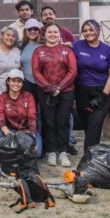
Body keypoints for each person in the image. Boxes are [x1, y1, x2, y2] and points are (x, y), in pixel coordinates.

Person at [32, 23, 78, 168]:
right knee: (49, 121)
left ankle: (63, 151)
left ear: (60, 34)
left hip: (66, 91)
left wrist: (59, 87)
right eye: (50, 32)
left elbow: (73, 70)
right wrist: (49, 87)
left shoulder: (67, 50)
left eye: (55, 32)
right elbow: (36, 71)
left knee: (63, 121)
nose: (52, 34)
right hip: (45, 91)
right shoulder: (38, 51)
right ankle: (51, 151)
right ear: (45, 34)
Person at [73, 19, 110, 151]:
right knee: (87, 126)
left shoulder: (108, 50)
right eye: (85, 31)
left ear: (98, 30)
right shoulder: (77, 46)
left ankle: (89, 157)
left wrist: (103, 96)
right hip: (82, 92)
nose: (88, 33)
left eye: (91, 30)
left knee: (95, 126)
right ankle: (94, 152)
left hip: (101, 92)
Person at [0, 69, 41, 157]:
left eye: (19, 81)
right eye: (13, 81)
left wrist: (32, 136)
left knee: (37, 153)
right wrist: (6, 131)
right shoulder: (1, 98)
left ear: (22, 84)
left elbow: (32, 117)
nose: (16, 84)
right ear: (8, 82)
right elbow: (0, 116)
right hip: (9, 131)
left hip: (27, 131)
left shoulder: (28, 97)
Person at [0, 25, 22, 101]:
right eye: (8, 35)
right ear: (2, 36)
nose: (11, 38)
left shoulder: (17, 51)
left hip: (14, 92)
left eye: (13, 36)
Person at [19, 19, 44, 95]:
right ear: (25, 31)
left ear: (39, 31)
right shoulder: (21, 45)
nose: (32, 31)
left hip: (43, 83)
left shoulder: (44, 45)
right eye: (29, 29)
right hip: (27, 83)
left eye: (35, 29)